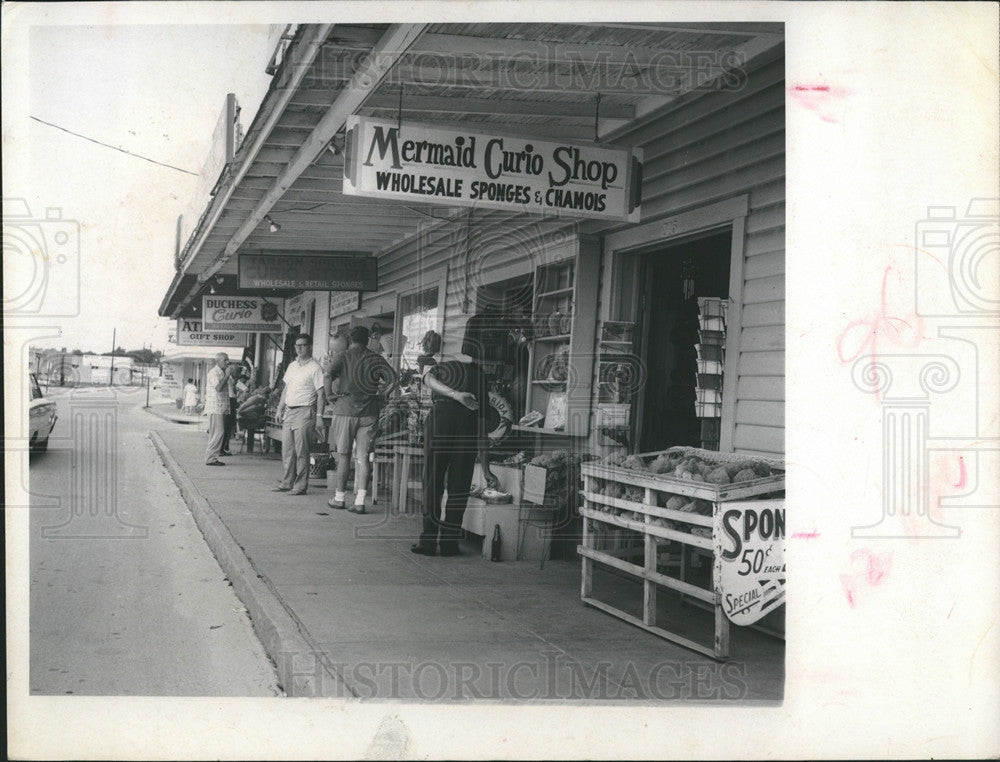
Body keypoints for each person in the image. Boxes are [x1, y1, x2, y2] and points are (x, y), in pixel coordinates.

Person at [411, 315, 500, 557]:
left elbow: (427, 379)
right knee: (459, 486)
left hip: (441, 422)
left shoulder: (440, 362)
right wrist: (487, 467)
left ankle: (428, 541)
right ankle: (449, 542)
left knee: (433, 483)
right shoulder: (481, 377)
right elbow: (482, 427)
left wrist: (454, 394)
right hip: (467, 428)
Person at [325, 325, 396, 513]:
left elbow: (327, 374)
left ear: (350, 339)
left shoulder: (343, 356)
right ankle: (360, 501)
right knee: (364, 458)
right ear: (368, 340)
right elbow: (393, 379)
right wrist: (382, 396)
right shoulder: (375, 358)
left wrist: (328, 395)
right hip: (369, 412)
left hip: (345, 409)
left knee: (344, 456)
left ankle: (339, 498)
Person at [273, 334, 327, 495]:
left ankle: (300, 486)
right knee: (287, 450)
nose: (299, 348)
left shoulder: (315, 368)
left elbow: (321, 394)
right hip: (289, 411)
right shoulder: (292, 366)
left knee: (301, 450)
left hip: (305, 411)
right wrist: (279, 408)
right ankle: (286, 483)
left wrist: (319, 417)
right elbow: (286, 389)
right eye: (297, 346)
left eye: (303, 345)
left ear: (310, 347)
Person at [205, 354, 241, 466]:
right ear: (218, 361)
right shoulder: (214, 373)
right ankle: (211, 458)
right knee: (218, 432)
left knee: (217, 433)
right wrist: (227, 375)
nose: (227, 362)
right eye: (225, 360)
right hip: (215, 408)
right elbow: (218, 388)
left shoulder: (221, 372)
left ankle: (212, 457)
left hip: (221, 408)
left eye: (228, 360)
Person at [221, 365, 240, 456]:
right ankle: (222, 447)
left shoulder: (233, 380)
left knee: (230, 426)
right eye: (236, 371)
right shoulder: (228, 379)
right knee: (226, 425)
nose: (237, 373)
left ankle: (226, 446)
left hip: (233, 400)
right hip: (229, 401)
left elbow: (235, 392)